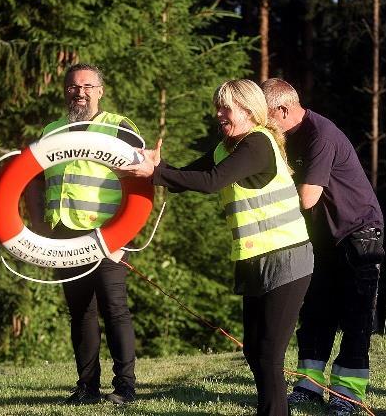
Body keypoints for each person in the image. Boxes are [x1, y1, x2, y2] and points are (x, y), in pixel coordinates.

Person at [120, 79, 313, 416]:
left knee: (268, 353)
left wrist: (158, 173)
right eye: (218, 107)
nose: (219, 114)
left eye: (227, 108)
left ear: (249, 111)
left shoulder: (257, 144)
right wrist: (157, 167)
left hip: (288, 257)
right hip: (254, 260)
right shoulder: (227, 147)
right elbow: (185, 179)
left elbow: (211, 183)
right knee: (254, 351)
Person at [261, 78, 385, 416]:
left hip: (358, 233)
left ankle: (347, 395)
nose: (261, 124)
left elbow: (307, 196)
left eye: (264, 116)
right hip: (321, 235)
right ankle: (309, 387)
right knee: (316, 311)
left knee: (356, 315)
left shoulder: (321, 135)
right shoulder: (287, 135)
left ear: (282, 110)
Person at [25, 63, 140, 406]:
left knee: (114, 308)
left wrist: (123, 234)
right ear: (66, 91)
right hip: (64, 234)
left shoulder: (118, 127)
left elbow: (141, 179)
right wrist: (39, 224)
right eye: (74, 87)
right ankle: (87, 387)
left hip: (107, 233)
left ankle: (125, 388)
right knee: (81, 313)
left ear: (100, 91)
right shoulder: (52, 130)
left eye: (88, 86)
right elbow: (33, 177)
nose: (81, 92)